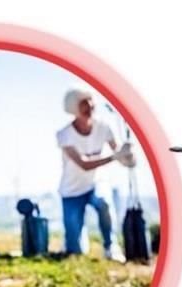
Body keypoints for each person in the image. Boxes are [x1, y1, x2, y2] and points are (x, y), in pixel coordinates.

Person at [56, 87, 134, 260]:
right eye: (84, 103)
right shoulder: (64, 135)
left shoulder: (104, 127)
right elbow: (84, 164)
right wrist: (115, 157)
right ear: (73, 108)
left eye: (91, 101)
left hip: (96, 183)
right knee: (75, 251)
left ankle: (111, 247)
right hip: (71, 190)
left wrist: (128, 157)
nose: (90, 106)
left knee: (104, 203)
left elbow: (118, 151)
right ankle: (74, 241)